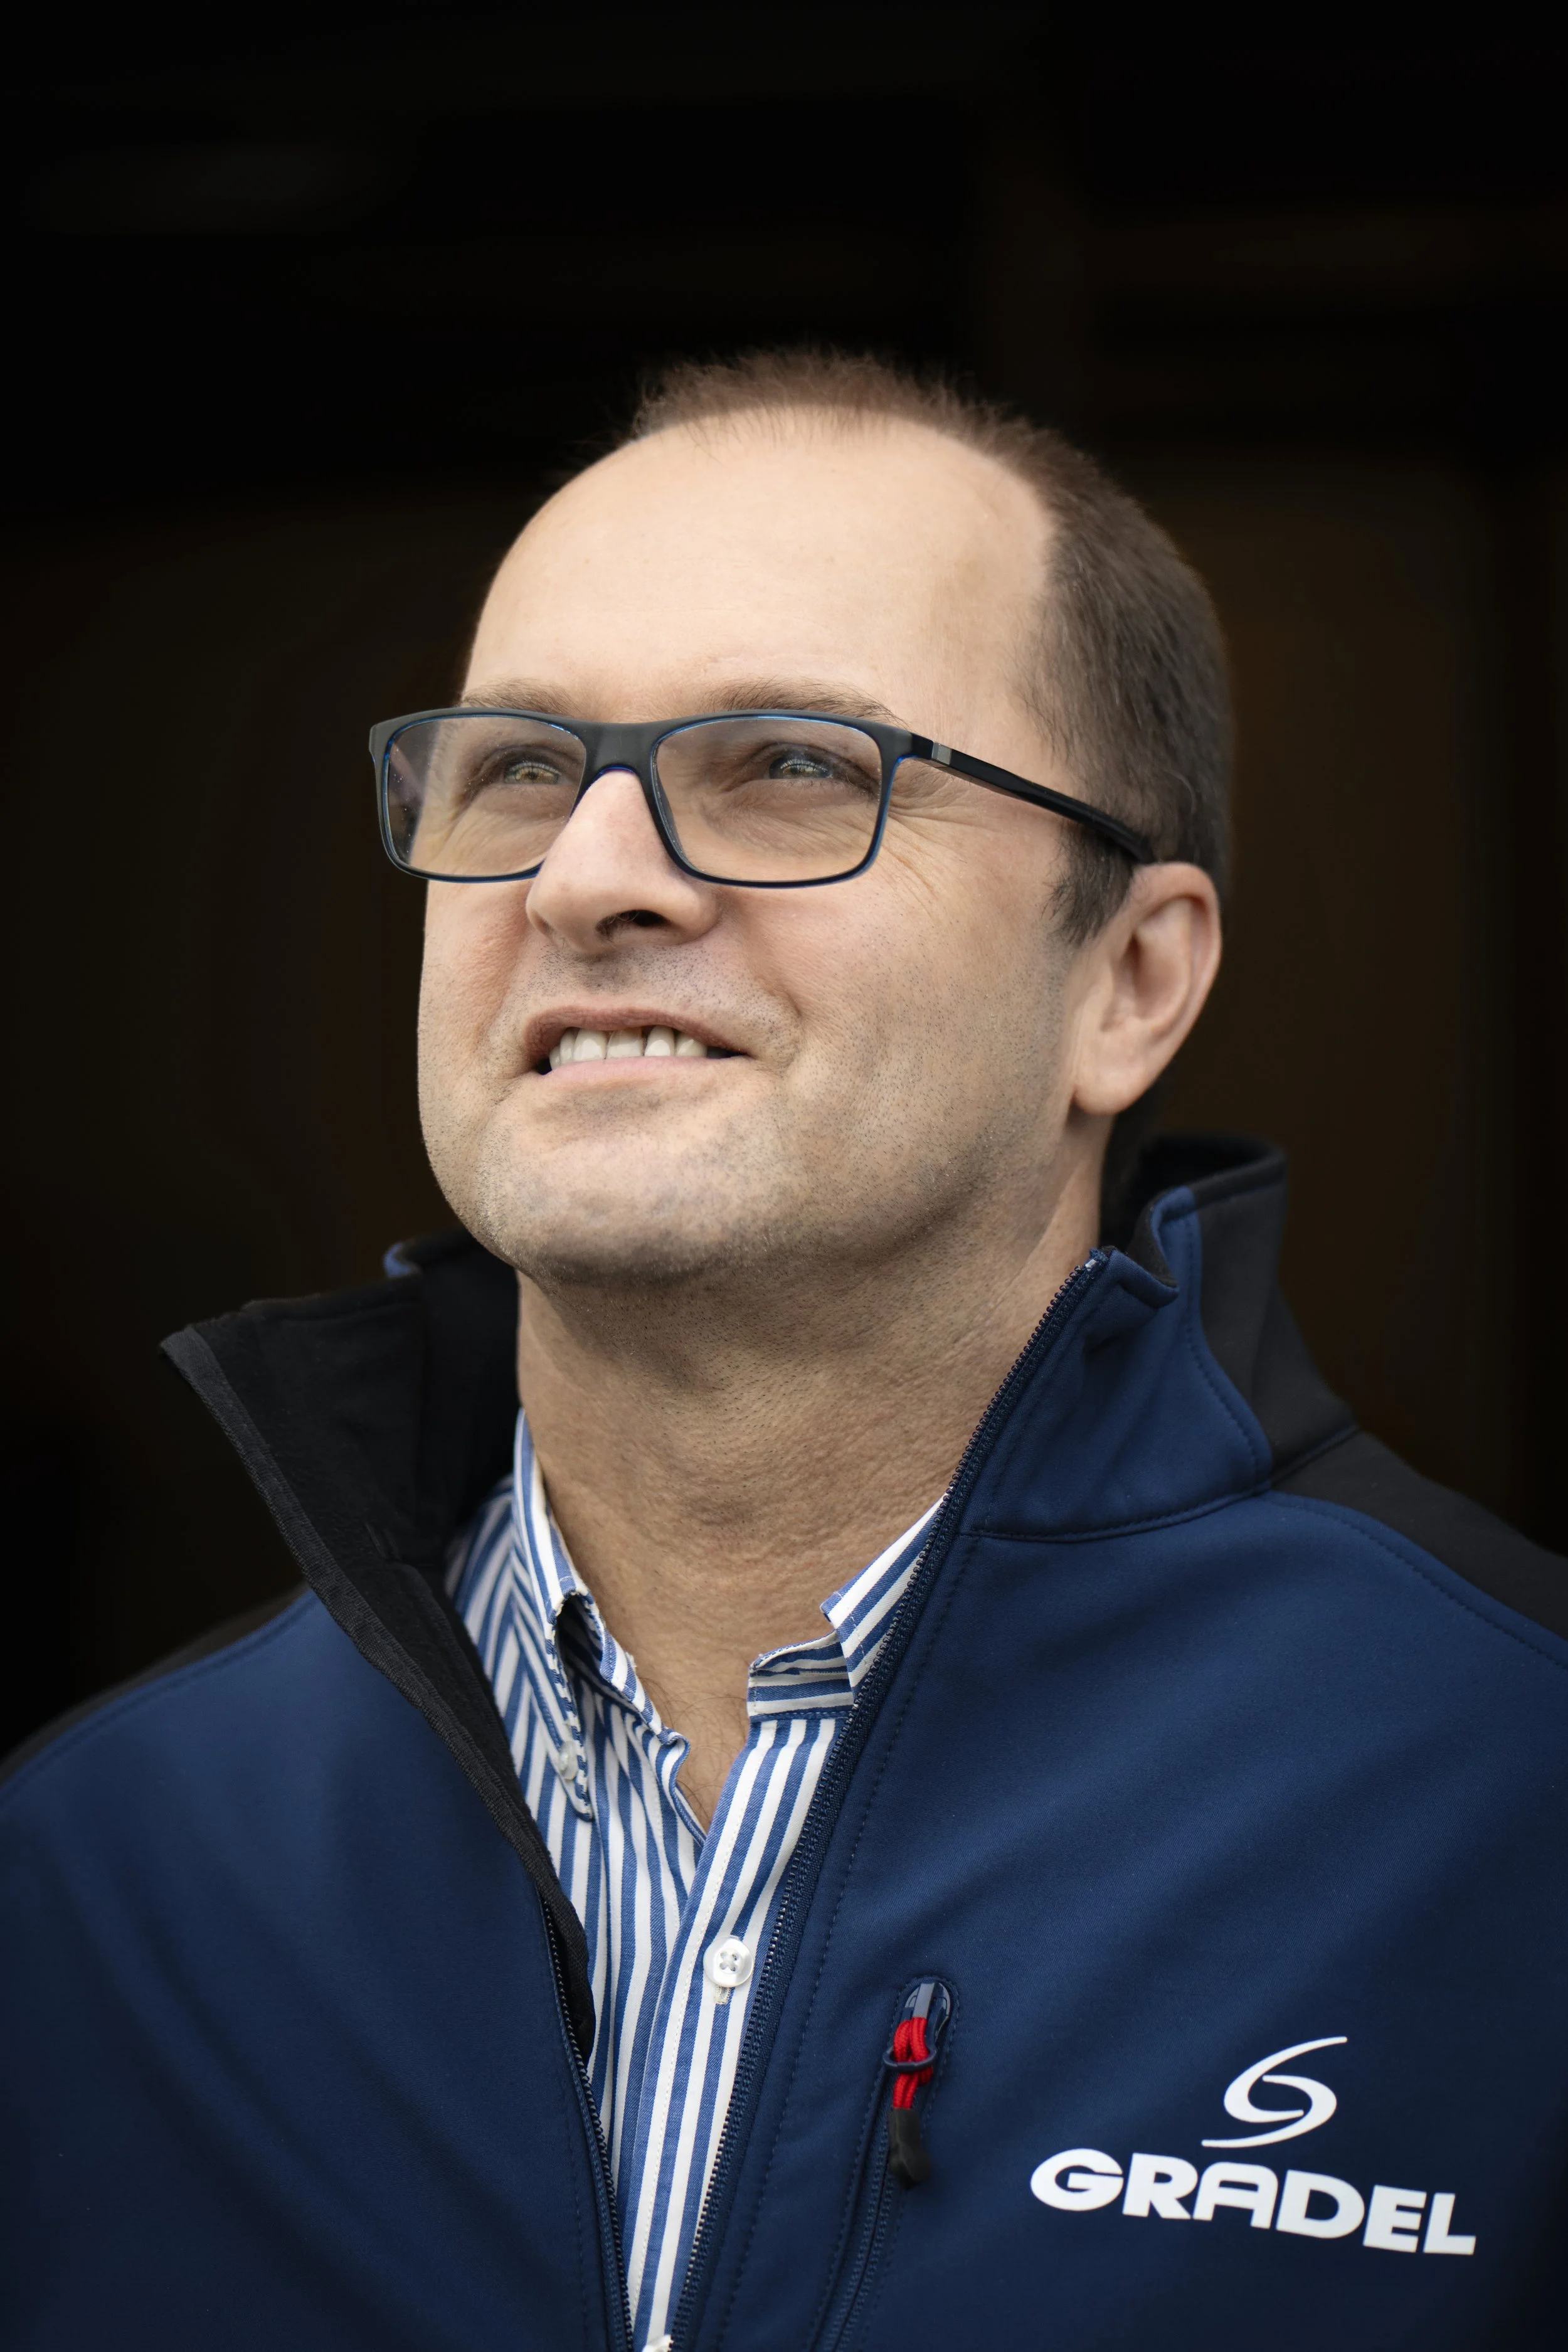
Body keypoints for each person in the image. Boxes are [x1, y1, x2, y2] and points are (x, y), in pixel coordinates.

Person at [3, 351, 1563, 2352]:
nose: (586, 878)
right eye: (515, 773)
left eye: (793, 767)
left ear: (1130, 979)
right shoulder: (93, 1884)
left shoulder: (1505, 1815)